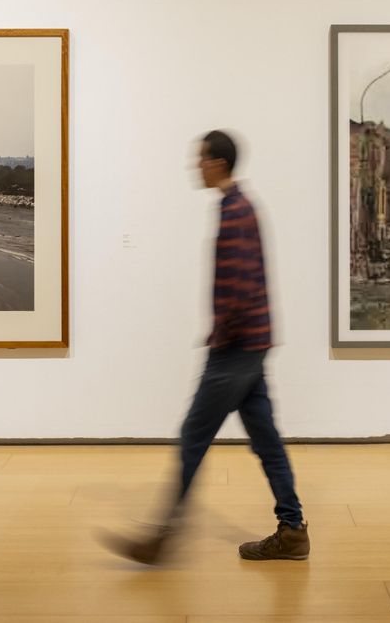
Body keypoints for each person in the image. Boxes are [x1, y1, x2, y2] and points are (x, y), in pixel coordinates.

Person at [102, 130, 308, 564]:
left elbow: (239, 288)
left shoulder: (235, 212)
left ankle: (162, 538)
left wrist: (220, 336)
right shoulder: (241, 206)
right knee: (266, 440)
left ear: (218, 163)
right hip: (252, 343)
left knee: (193, 436)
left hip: (236, 349)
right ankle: (292, 531)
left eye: (200, 158)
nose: (195, 165)